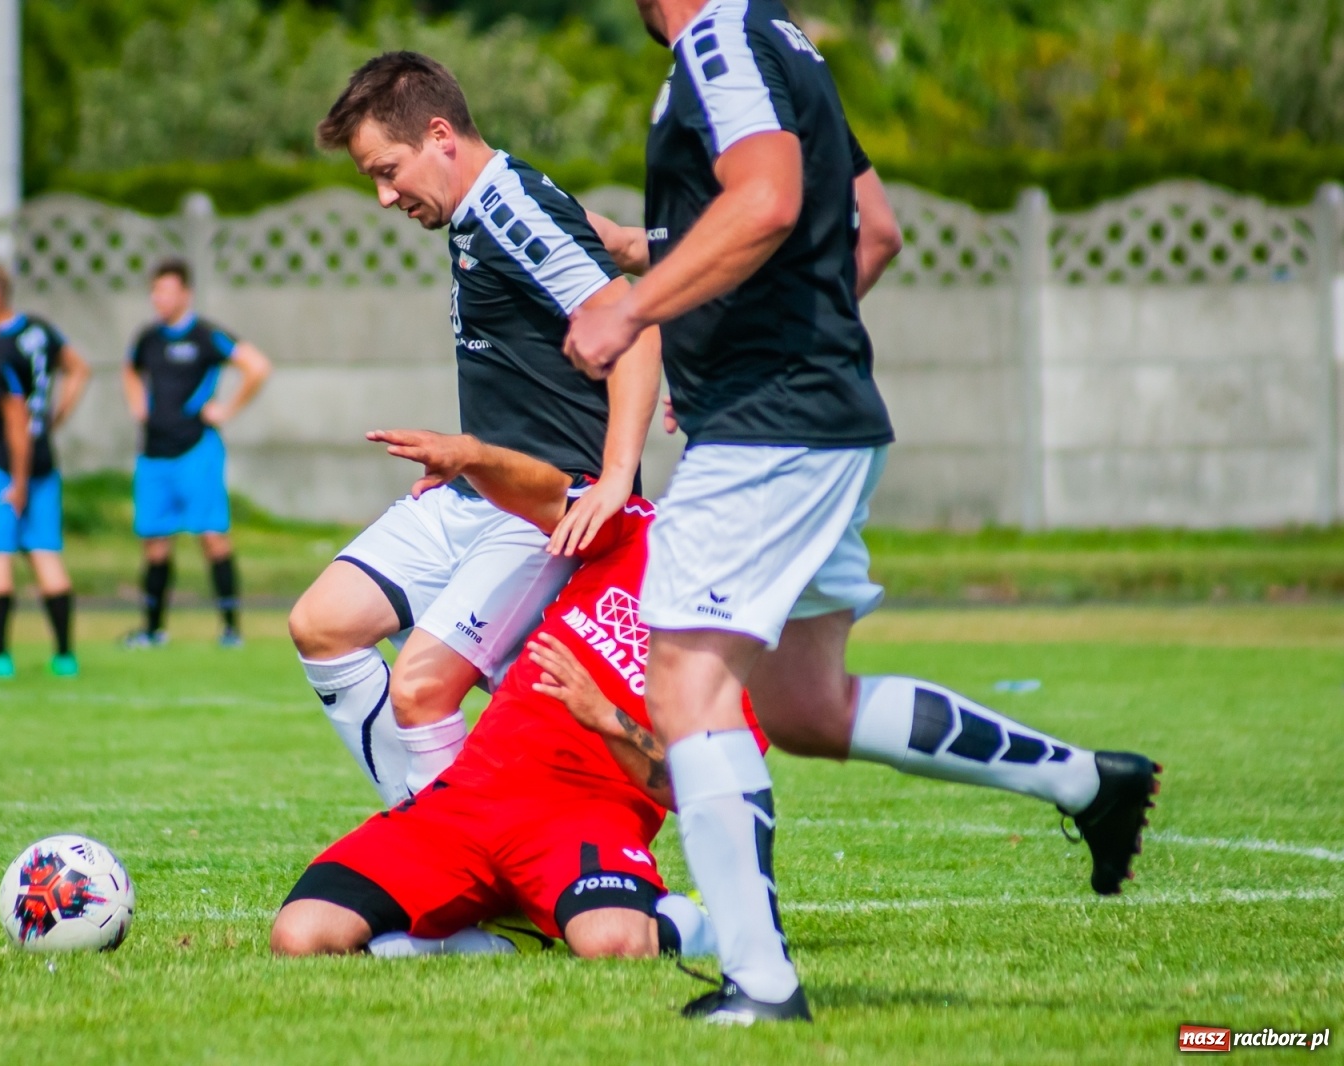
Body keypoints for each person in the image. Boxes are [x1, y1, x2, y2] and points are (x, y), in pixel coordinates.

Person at [563, 0, 1161, 1023]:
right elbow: (869, 231)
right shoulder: (780, 40)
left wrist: (636, 307)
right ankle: (1087, 785)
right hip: (822, 419)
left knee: (689, 686)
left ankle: (761, 986)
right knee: (807, 707)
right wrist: (698, 297)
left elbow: (765, 202)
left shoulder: (718, 40)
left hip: (767, 431)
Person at [289, 52, 662, 807]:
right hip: (476, 491)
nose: (385, 197)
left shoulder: (509, 209)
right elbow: (616, 246)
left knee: (422, 688)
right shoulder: (489, 206)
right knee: (322, 623)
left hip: (545, 504)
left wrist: (616, 480)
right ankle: (428, 832)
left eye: (388, 171)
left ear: (439, 136)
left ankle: (467, 856)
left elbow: (634, 329)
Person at [273, 430, 755, 962]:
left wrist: (608, 718)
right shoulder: (636, 529)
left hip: (586, 818)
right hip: (471, 794)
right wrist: (473, 456)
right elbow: (546, 495)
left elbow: (704, 791)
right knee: (301, 935)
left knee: (614, 942)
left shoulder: (757, 645)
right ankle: (498, 942)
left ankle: (693, 925)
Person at [122, 258, 272, 649]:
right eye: (155, 291)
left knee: (212, 537)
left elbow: (257, 366)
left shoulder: (206, 336)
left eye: (167, 291)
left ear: (185, 294)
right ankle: (153, 631)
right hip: (153, 454)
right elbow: (130, 369)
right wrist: (138, 404)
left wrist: (227, 410)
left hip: (196, 451)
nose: (159, 298)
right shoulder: (147, 338)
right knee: (155, 542)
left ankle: (231, 629)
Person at [0, 262, 91, 678]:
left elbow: (15, 421)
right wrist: (55, 417)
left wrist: (17, 483)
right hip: (43, 457)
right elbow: (78, 369)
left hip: (4, 462)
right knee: (44, 552)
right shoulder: (38, 330)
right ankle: (65, 657)